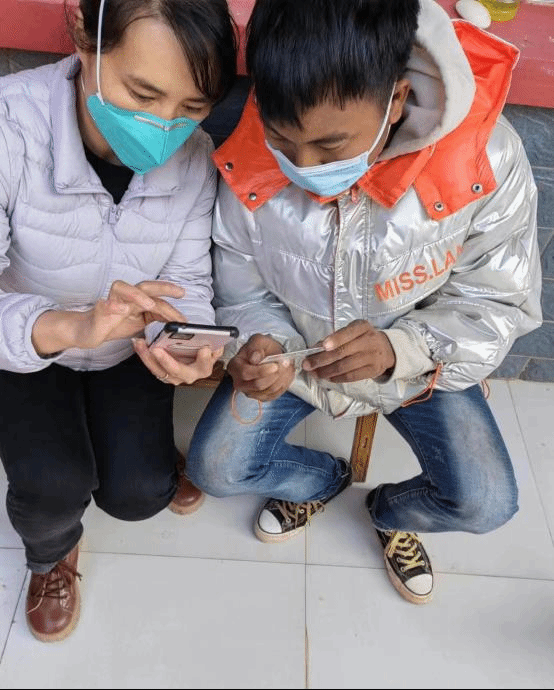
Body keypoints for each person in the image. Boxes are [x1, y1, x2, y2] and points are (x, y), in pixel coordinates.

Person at [186, 0, 542, 605]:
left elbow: (498, 300)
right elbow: (240, 290)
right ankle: (322, 481)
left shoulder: (484, 157)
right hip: (298, 360)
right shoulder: (249, 153)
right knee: (215, 471)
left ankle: (389, 512)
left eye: (330, 146)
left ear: (397, 99)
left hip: (420, 369)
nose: (303, 169)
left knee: (485, 504)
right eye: (282, 139)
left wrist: (404, 350)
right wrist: (261, 345)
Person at [0, 0, 236, 641]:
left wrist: (185, 343)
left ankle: (147, 454)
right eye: (143, 94)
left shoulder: (195, 157)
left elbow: (188, 281)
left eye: (191, 107)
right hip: (27, 346)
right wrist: (70, 328)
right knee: (52, 486)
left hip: (128, 348)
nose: (163, 128)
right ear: (85, 37)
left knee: (138, 495)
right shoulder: (11, 127)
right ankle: (51, 556)